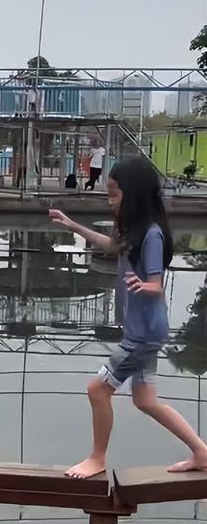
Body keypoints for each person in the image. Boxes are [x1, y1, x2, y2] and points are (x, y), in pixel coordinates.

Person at [49, 157, 207, 479]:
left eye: (114, 194)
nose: (110, 201)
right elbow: (110, 245)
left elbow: (156, 285)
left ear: (132, 195)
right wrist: (73, 226)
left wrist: (143, 284)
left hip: (144, 334)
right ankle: (202, 451)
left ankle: (97, 458)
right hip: (144, 331)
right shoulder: (132, 231)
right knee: (146, 401)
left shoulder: (151, 235)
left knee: (97, 389)